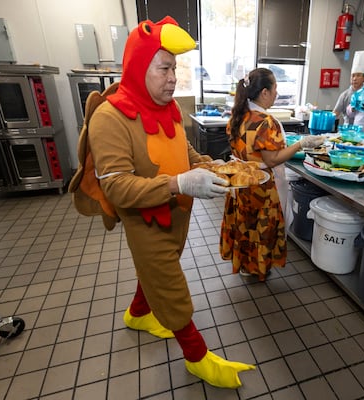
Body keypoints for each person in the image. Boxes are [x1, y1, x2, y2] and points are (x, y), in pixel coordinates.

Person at [77, 17, 255, 389]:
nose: (173, 77)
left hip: (177, 217)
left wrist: (213, 166)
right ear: (140, 67)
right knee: (173, 289)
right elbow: (118, 187)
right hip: (145, 223)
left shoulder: (168, 108)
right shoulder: (110, 118)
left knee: (160, 269)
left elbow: (185, 153)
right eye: (164, 68)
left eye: (175, 68)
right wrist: (179, 183)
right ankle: (197, 357)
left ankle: (138, 313)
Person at [220, 68, 324, 281]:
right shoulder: (266, 122)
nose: (277, 93)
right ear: (264, 92)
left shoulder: (238, 115)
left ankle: (244, 265)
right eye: (275, 88)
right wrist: (301, 144)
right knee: (260, 229)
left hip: (240, 182)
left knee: (244, 225)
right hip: (262, 186)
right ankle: (256, 269)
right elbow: (272, 159)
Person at [333, 50, 364, 126]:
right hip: (347, 128)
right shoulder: (345, 95)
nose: (354, 78)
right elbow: (336, 112)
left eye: (358, 75)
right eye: (353, 75)